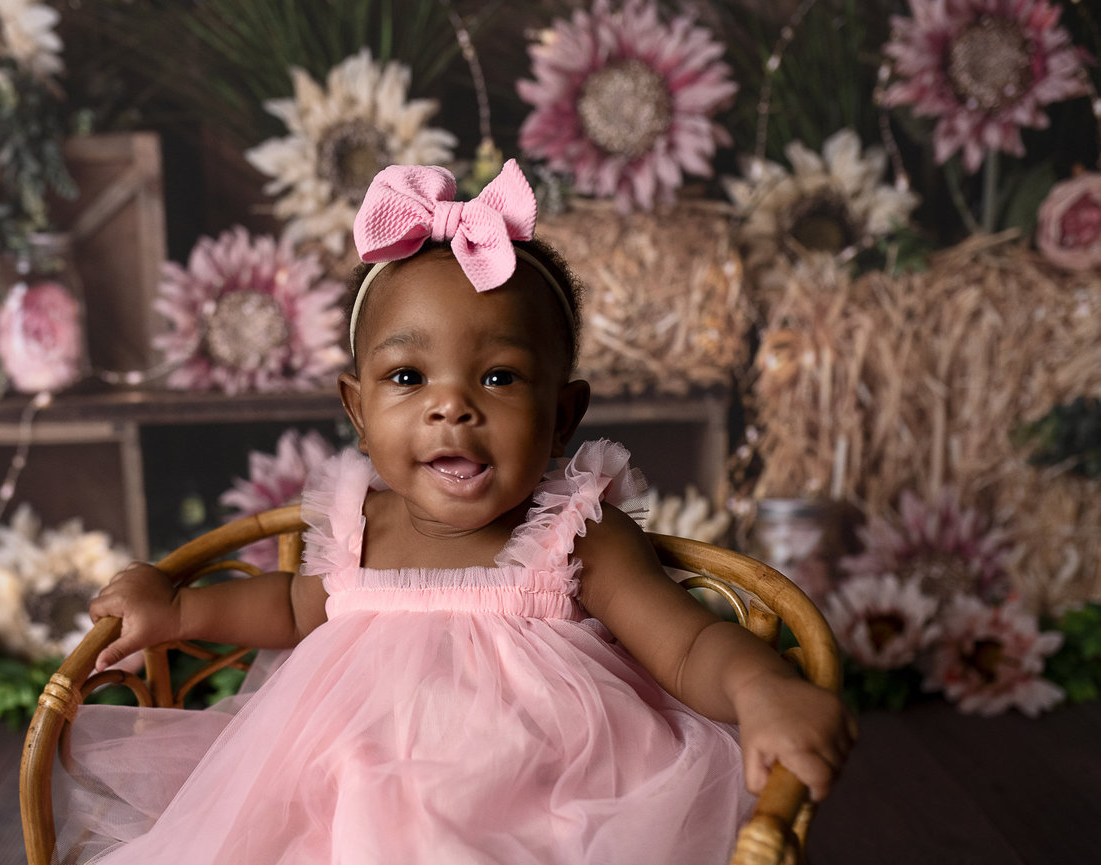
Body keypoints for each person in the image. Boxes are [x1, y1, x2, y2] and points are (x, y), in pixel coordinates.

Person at [66, 159, 853, 865]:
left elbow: (688, 647)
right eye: (408, 376)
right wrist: (177, 609)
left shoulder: (574, 533)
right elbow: (292, 606)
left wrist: (760, 687)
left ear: (562, 415)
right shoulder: (356, 526)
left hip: (538, 803)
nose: (452, 406)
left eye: (502, 378)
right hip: (348, 797)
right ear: (359, 409)